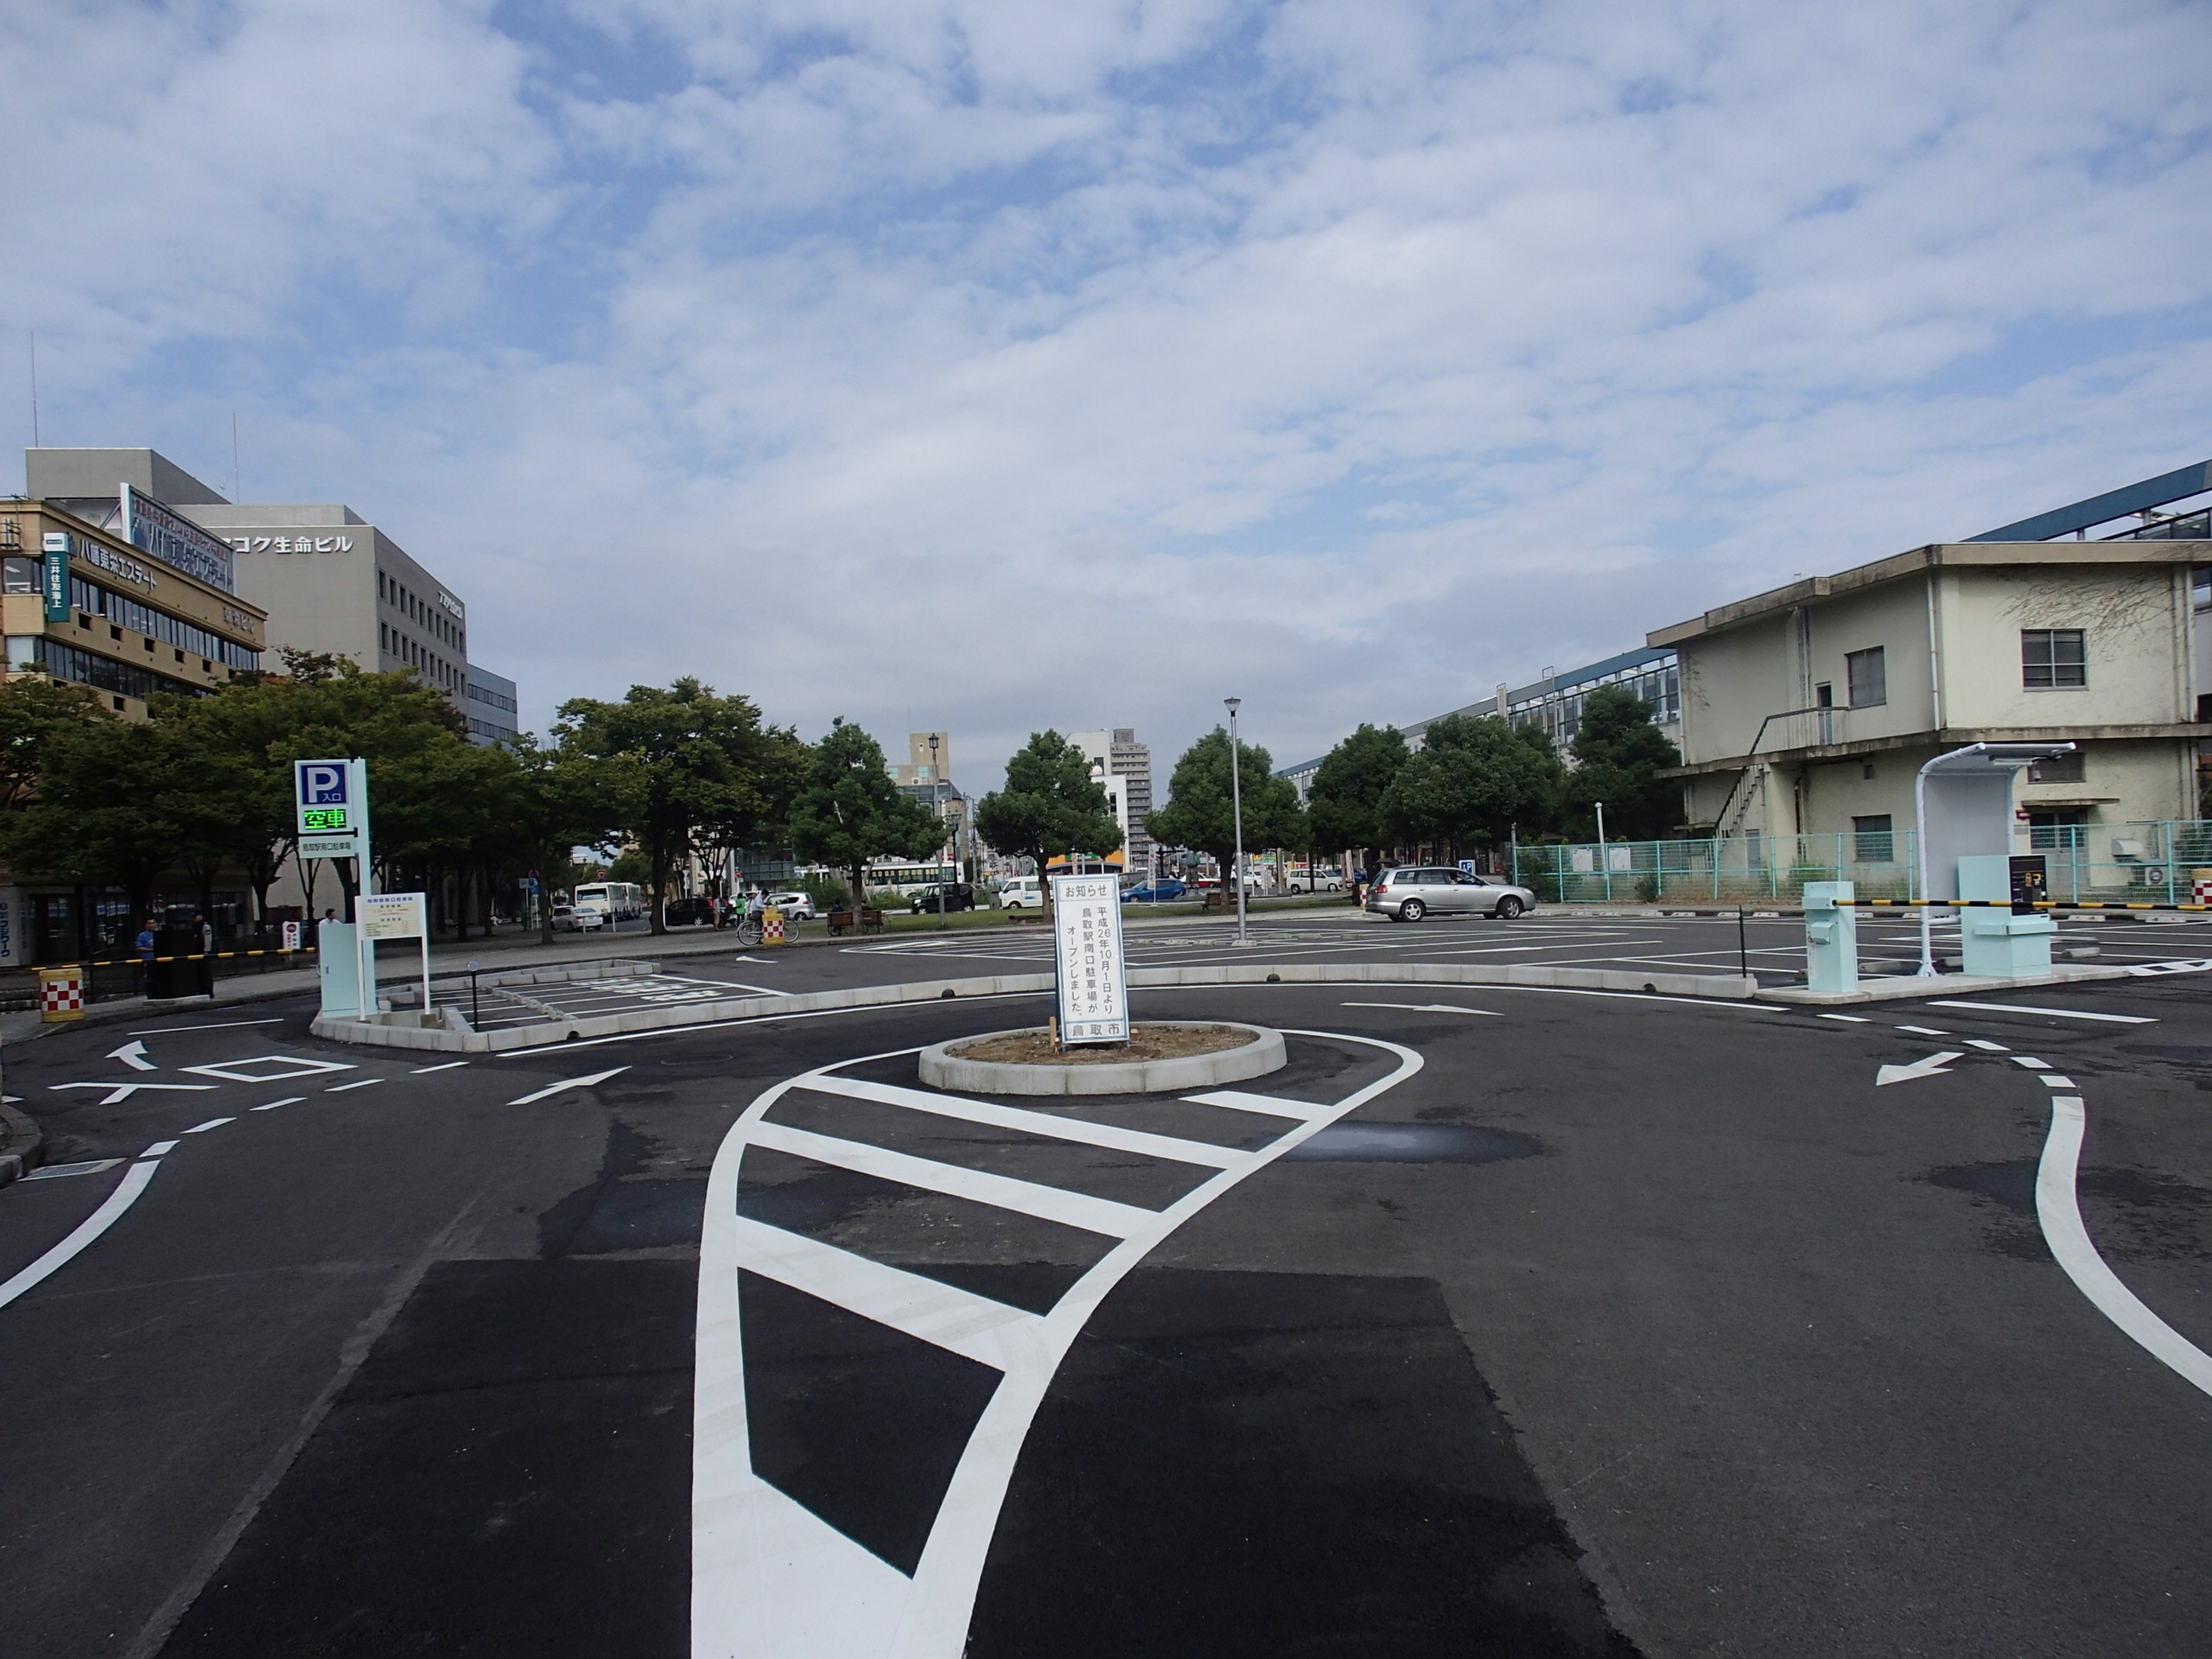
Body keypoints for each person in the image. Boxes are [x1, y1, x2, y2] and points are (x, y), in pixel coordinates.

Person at [136, 918, 157, 992]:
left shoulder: (158, 933)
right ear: (146, 925)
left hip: (158, 959)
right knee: (149, 977)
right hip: (148, 960)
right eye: (150, 923)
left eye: (153, 923)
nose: (152, 925)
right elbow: (139, 947)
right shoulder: (142, 935)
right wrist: (151, 950)